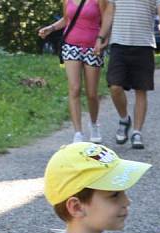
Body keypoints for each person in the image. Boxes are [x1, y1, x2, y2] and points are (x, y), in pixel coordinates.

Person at [97, 0, 160, 149]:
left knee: (141, 90)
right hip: (118, 43)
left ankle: (137, 132)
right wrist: (101, 37)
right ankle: (124, 119)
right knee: (115, 86)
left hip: (144, 44)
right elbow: (109, 12)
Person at [38, 0, 109, 144]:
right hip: (70, 46)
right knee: (74, 89)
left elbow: (107, 19)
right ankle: (78, 133)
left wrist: (103, 41)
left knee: (91, 93)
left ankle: (94, 125)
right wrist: (51, 28)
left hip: (93, 47)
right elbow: (66, 19)